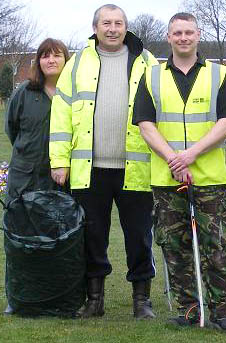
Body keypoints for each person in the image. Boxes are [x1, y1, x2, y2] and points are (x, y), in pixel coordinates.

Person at [133, 12, 226, 334]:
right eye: (177, 33)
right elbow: (145, 123)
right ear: (169, 37)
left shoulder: (219, 74)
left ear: (198, 35)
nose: (183, 37)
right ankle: (187, 310)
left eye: (188, 32)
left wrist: (191, 155)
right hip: (167, 180)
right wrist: (173, 160)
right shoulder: (152, 76)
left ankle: (222, 313)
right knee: (174, 247)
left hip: (210, 179)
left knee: (217, 247)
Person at [49, 4, 158, 319]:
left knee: (140, 237)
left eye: (118, 23)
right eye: (106, 23)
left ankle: (142, 301)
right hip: (89, 170)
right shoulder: (78, 62)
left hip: (136, 169)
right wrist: (59, 160)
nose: (112, 28)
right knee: (91, 236)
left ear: (126, 27)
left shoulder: (147, 61)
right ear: (95, 27)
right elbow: (62, 115)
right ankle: (94, 300)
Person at [3, 38, 69, 315]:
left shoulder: (73, 95)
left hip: (61, 179)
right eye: (45, 56)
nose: (51, 60)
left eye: (56, 55)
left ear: (66, 60)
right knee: (20, 240)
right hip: (25, 178)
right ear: (38, 62)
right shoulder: (24, 94)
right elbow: (12, 130)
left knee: (57, 240)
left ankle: (53, 298)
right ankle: (17, 297)